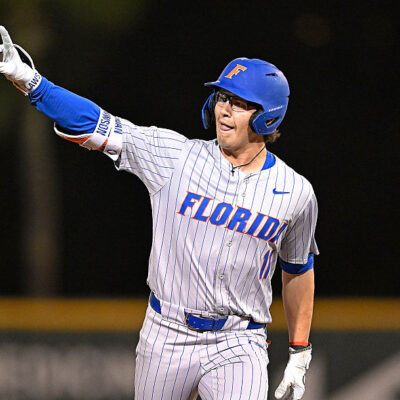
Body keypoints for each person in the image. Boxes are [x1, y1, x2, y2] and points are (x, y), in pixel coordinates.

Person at [0, 25, 318, 400]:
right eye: (222, 98)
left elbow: (297, 269)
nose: (225, 110)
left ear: (269, 117)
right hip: (167, 333)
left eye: (240, 103)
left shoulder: (296, 191)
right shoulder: (174, 156)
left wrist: (299, 351)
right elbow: (97, 123)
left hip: (239, 341)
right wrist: (31, 81)